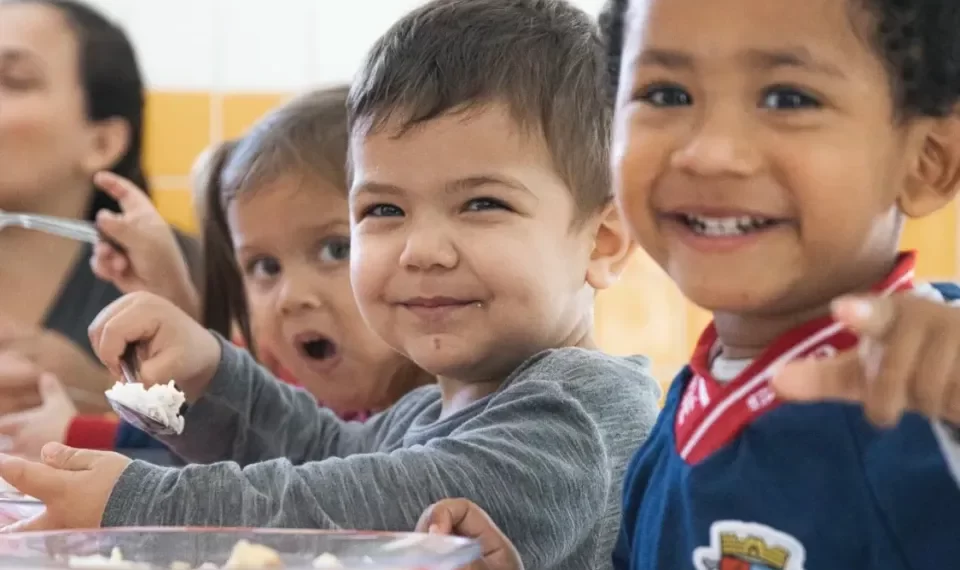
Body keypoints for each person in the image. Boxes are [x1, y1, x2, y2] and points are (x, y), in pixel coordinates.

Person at [0, 1, 662, 568]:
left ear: (601, 242)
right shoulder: (435, 409)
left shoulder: (578, 413)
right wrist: (213, 374)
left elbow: (353, 509)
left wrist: (137, 504)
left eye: (482, 204)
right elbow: (322, 450)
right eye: (383, 211)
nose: (420, 250)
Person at [417, 0, 960, 568]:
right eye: (666, 95)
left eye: (787, 98)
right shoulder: (684, 410)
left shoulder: (931, 392)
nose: (708, 153)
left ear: (928, 161)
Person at [92, 88, 429, 417]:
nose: (292, 298)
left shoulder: (464, 424)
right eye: (266, 267)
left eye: (335, 250)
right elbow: (227, 413)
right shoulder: (295, 388)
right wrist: (170, 298)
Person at [0, 0, 199, 459]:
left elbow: (253, 464)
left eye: (14, 81)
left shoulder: (182, 281)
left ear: (102, 142)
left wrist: (106, 409)